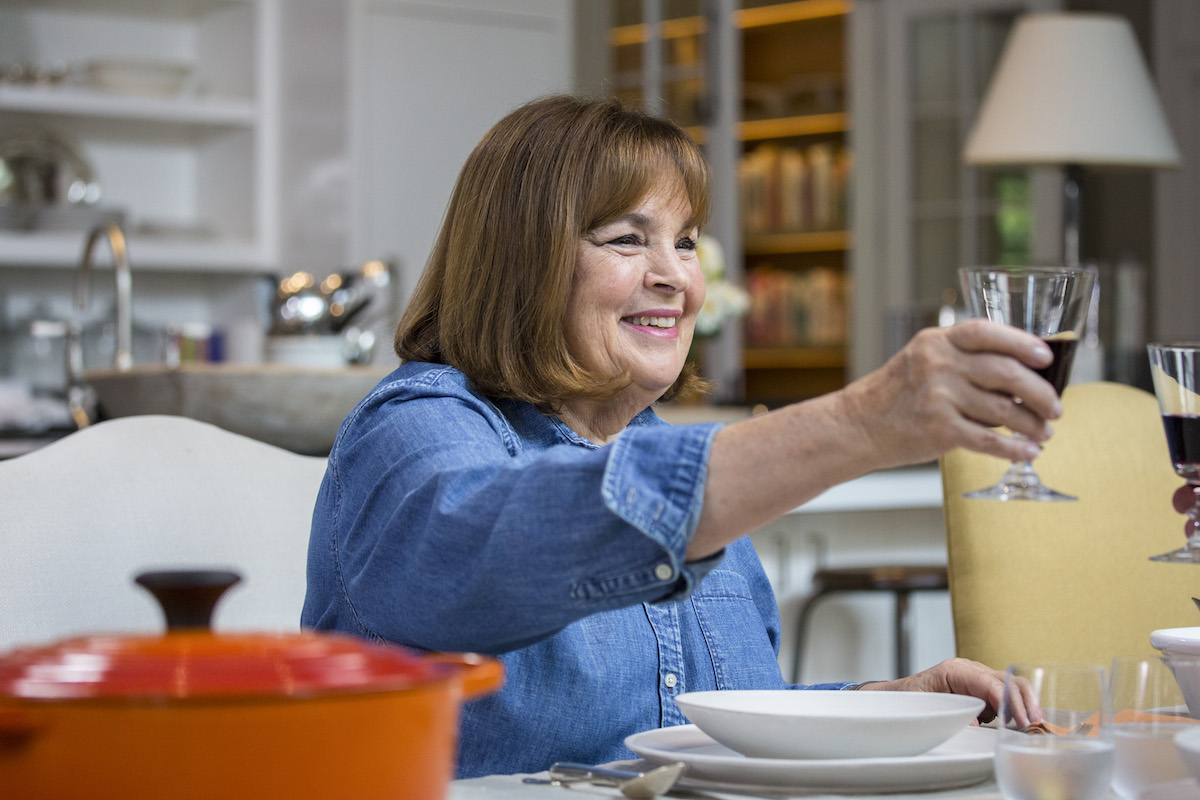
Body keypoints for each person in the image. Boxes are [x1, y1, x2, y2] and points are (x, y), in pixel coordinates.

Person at [302, 95, 1061, 778]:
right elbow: (478, 567)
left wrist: (881, 705)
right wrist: (864, 422)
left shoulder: (664, 455)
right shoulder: (414, 427)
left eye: (688, 242)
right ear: (521, 261)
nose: (676, 278)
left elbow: (717, 723)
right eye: (628, 240)